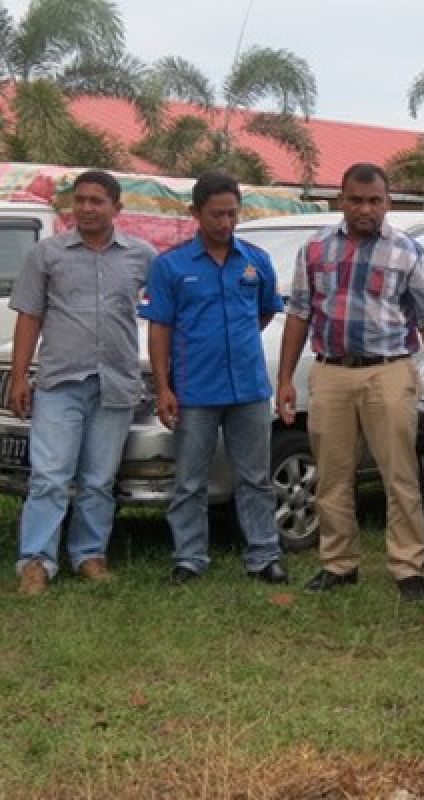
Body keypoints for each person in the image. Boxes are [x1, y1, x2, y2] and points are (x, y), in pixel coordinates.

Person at [276, 163, 424, 600]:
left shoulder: (409, 251)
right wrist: (286, 378)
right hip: (331, 373)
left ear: (387, 202)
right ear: (340, 200)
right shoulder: (315, 250)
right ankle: (338, 564)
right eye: (356, 200)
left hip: (389, 371)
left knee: (398, 474)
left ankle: (408, 567)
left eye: (374, 201)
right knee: (331, 475)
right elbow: (299, 314)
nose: (365, 209)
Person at [9, 170, 156, 596]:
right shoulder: (47, 255)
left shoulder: (141, 256)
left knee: (98, 479)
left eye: (97, 201)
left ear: (117, 208)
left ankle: (90, 554)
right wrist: (20, 376)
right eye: (81, 200)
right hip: (60, 382)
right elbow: (29, 316)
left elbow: (166, 312)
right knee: (50, 476)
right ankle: (36, 561)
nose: (87, 208)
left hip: (115, 382)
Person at [139, 172, 288, 585]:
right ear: (195, 213)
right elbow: (159, 328)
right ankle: (189, 558)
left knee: (256, 478)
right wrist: (165, 386)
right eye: (216, 214)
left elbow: (264, 312)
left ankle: (263, 556)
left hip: (249, 389)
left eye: (232, 214)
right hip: (195, 390)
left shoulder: (256, 261)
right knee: (189, 479)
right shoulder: (170, 266)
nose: (225, 223)